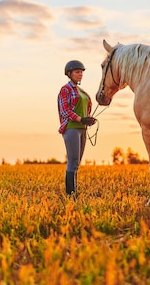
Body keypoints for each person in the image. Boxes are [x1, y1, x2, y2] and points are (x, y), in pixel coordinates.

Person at [57, 60, 96, 197]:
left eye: (81, 72)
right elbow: (65, 110)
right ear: (69, 73)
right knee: (73, 161)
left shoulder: (81, 91)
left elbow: (86, 108)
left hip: (82, 128)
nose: (80, 74)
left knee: (77, 162)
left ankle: (74, 193)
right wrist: (80, 119)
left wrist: (88, 118)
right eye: (77, 72)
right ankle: (70, 195)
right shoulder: (65, 89)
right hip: (72, 127)